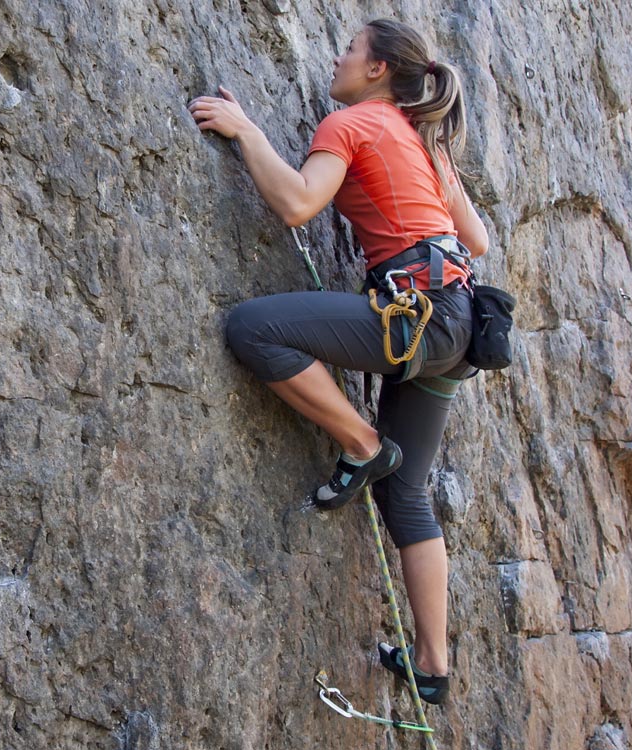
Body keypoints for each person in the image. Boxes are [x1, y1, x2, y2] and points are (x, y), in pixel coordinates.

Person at [188, 18, 490, 705]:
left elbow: (297, 203)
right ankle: (433, 665)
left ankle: (360, 442)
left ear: (378, 70)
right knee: (406, 494)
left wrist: (247, 132)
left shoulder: (353, 122)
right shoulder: (419, 139)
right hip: (456, 321)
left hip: (417, 317)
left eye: (350, 48)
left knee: (254, 329)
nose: (338, 56)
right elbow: (476, 236)